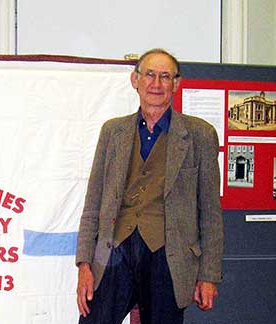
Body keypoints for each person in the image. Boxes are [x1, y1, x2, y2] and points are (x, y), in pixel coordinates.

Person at [75, 48, 223, 324]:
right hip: (114, 251)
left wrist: (208, 275)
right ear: (135, 80)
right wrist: (85, 263)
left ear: (176, 84)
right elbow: (93, 202)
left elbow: (211, 213)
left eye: (165, 76)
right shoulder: (112, 132)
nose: (156, 84)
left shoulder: (199, 135)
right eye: (150, 75)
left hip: (168, 256)